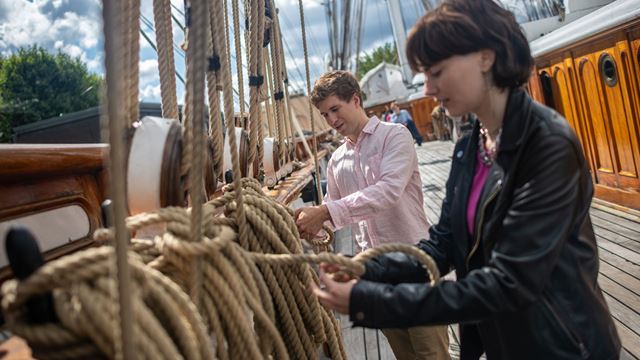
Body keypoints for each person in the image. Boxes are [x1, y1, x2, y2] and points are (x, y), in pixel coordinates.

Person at [310, 1, 621, 360]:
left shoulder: (547, 145)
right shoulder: (471, 146)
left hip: (562, 344)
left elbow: (509, 283)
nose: (427, 88)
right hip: (503, 341)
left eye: (436, 71)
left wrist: (372, 301)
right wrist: (366, 268)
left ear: (485, 57)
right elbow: (444, 243)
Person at [295, 70, 450, 360]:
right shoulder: (337, 160)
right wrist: (299, 226)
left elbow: (388, 191)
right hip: (376, 274)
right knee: (405, 354)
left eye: (334, 110)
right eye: (324, 115)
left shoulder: (395, 136)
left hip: (415, 263)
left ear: (355, 100)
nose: (330, 120)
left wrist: (325, 211)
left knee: (432, 353)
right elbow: (329, 215)